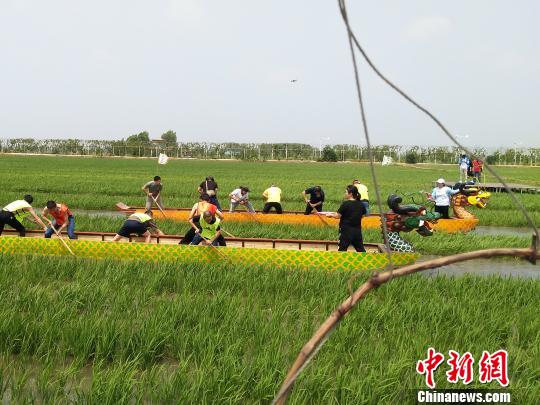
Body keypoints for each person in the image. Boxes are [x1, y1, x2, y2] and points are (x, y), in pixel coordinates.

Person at [325, 185, 366, 252]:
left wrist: (330, 215)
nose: (345, 193)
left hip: (345, 231)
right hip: (357, 231)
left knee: (342, 250)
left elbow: (338, 216)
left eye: (346, 192)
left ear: (350, 194)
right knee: (360, 250)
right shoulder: (361, 204)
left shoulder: (346, 204)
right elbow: (363, 215)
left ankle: (341, 262)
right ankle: (365, 261)